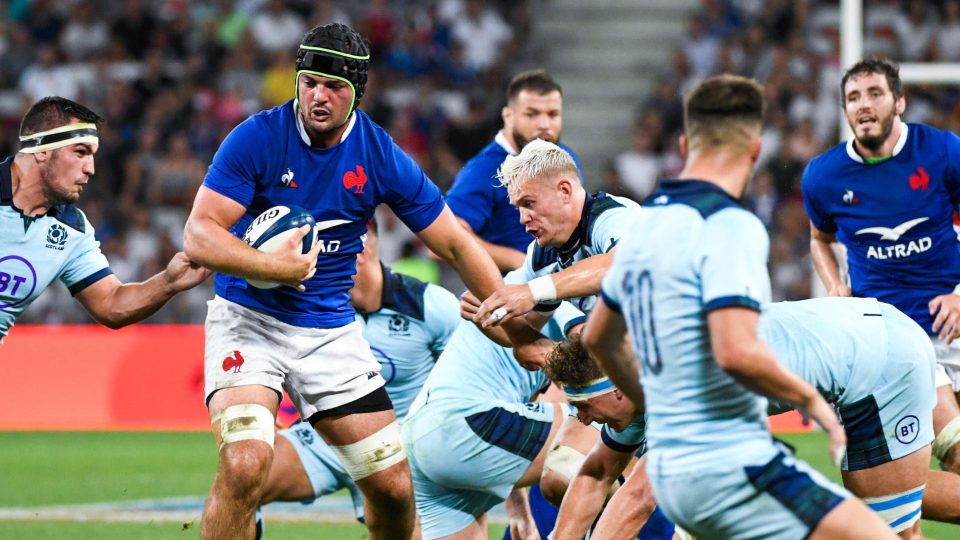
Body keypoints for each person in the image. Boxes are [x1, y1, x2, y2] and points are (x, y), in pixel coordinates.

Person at [182, 23, 505, 540]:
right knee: (245, 463)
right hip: (248, 322)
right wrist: (276, 268)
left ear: (357, 93)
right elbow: (199, 234)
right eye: (309, 82)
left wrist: (505, 306)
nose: (318, 95)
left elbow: (455, 243)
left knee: (395, 489)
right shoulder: (258, 137)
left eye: (334, 86)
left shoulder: (377, 153)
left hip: (330, 333)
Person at [582, 74, 896, 539]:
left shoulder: (645, 223)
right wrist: (811, 399)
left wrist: (654, 403)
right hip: (728, 463)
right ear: (754, 150)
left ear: (686, 143)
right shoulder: (731, 224)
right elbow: (735, 351)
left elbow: (598, 336)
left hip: (670, 470)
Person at [552, 297, 939, 539]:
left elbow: (639, 497)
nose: (583, 421)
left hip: (881, 362)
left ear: (615, 388)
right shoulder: (640, 378)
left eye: (584, 407)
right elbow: (597, 472)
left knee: (894, 532)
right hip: (860, 333)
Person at [802, 57, 960, 477]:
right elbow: (819, 238)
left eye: (875, 94)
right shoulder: (824, 176)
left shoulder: (942, 151)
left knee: (893, 486)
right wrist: (834, 285)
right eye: (853, 97)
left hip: (954, 320)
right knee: (955, 450)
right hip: (896, 336)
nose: (864, 105)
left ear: (900, 102)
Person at [255, 219, 459, 534]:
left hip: (400, 453)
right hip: (325, 441)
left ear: (359, 249)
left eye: (322, 250)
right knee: (244, 478)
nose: (309, 260)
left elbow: (467, 385)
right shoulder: (307, 305)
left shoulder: (430, 305)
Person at [0, 96, 210, 343]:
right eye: (80, 152)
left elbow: (110, 303)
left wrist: (168, 282)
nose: (90, 168)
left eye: (92, 156)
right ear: (42, 149)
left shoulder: (71, 228)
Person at [402, 275, 587, 540]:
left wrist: (520, 513)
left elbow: (512, 416)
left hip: (422, 434)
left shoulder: (517, 283)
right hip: (465, 421)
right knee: (608, 441)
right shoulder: (556, 288)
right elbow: (593, 374)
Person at [445, 69, 581, 272]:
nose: (544, 124)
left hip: (560, 291)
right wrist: (517, 261)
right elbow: (445, 239)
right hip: (507, 296)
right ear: (508, 116)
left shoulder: (565, 157)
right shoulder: (482, 171)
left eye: (553, 114)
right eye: (532, 114)